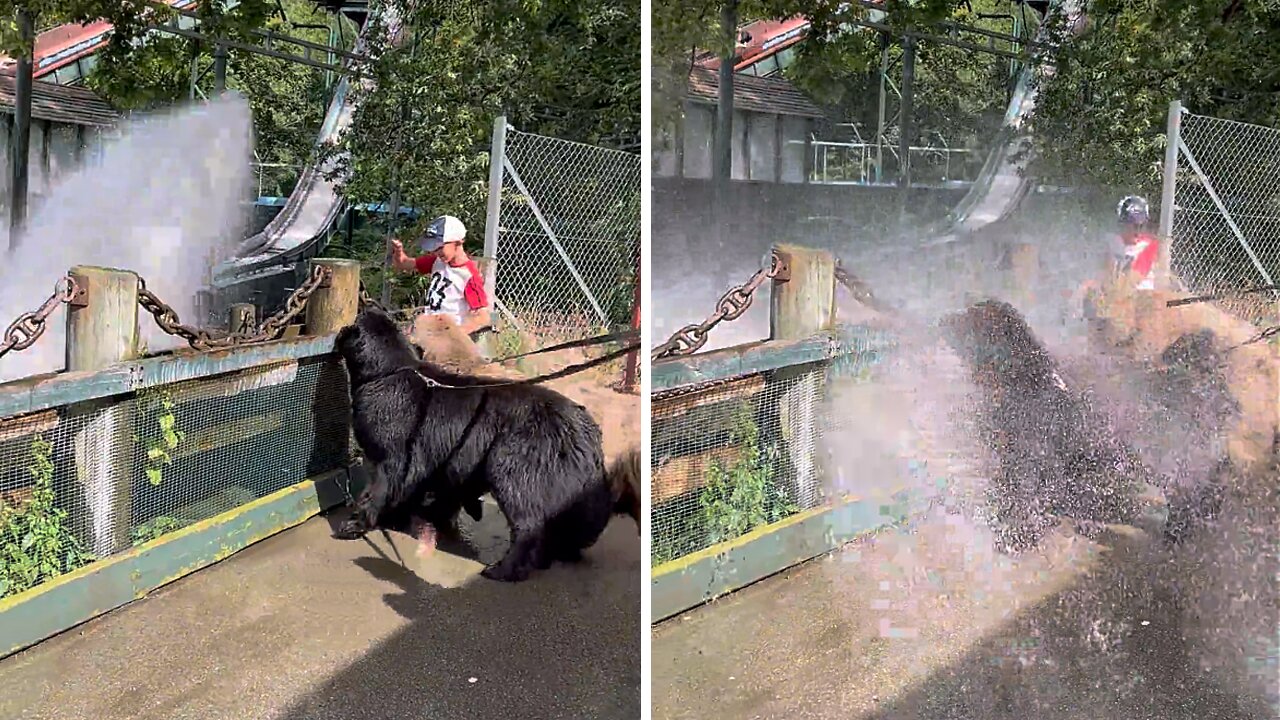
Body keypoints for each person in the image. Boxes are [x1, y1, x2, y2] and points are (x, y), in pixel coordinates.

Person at [387, 214, 492, 339]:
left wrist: (458, 333)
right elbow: (405, 264)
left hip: (448, 337)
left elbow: (482, 316)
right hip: (429, 331)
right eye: (434, 248)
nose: (436, 252)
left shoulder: (468, 275)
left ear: (458, 242)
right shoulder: (437, 262)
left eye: (440, 247)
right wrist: (399, 253)